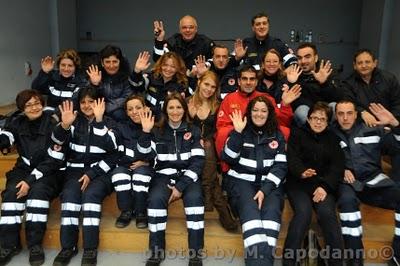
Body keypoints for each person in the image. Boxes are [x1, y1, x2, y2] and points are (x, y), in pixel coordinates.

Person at [52, 87, 118, 266]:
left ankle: (90, 249)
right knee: (70, 197)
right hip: (75, 171)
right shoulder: (73, 120)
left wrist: (98, 121)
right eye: (83, 102)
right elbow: (57, 143)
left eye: (92, 101)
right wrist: (64, 125)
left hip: (100, 173)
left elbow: (113, 153)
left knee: (90, 198)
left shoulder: (110, 122)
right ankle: (68, 247)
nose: (87, 105)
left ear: (100, 103)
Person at [139, 93, 205, 266]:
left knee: (195, 200)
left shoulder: (194, 131)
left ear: (184, 109)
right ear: (165, 110)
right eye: (171, 107)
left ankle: (196, 253)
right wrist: (145, 132)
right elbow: (143, 155)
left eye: (179, 107)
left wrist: (180, 186)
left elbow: (198, 162)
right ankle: (156, 251)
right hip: (163, 176)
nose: (175, 111)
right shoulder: (156, 130)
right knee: (155, 200)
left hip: (188, 177)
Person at [332, 100, 400, 266]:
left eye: (349, 113)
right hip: (346, 182)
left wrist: (395, 124)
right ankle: (355, 258)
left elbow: (396, 146)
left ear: (356, 114)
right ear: (335, 115)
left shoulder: (373, 129)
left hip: (374, 181)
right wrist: (339, 169)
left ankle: (398, 253)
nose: (345, 118)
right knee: (347, 203)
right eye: (341, 114)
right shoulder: (329, 133)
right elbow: (320, 159)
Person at [0, 90, 64, 266]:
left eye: (37, 103)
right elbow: (6, 138)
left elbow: (54, 160)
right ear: (22, 109)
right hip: (24, 169)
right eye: (28, 105)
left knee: (37, 195)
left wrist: (29, 181)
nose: (34, 107)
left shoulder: (54, 123)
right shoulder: (16, 122)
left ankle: (35, 245)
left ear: (42, 104)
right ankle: (9, 245)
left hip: (49, 172)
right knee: (11, 194)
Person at [221, 96, 287, 266]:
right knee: (251, 216)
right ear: (249, 112)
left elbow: (280, 167)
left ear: (269, 113)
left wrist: (265, 190)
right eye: (255, 110)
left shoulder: (277, 135)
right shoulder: (239, 130)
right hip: (241, 183)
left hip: (269, 185)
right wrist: (236, 133)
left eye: (263, 111)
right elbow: (227, 158)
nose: (259, 114)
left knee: (271, 217)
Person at [283, 102, 345, 266]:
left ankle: (336, 262)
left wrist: (324, 187)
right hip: (299, 184)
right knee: (303, 214)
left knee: (327, 214)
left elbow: (337, 166)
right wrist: (301, 171)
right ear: (308, 119)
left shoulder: (333, 138)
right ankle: (289, 261)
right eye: (314, 118)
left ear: (327, 122)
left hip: (323, 186)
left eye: (322, 119)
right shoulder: (297, 134)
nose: (318, 122)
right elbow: (292, 158)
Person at [215, 65, 300, 173]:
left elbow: (281, 122)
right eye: (245, 79)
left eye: (252, 79)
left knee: (285, 131)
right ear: (239, 81)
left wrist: (285, 105)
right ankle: (226, 168)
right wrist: (238, 130)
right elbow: (222, 125)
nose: (248, 82)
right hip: (239, 134)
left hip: (263, 134)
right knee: (222, 133)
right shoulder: (229, 99)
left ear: (256, 82)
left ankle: (278, 168)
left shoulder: (266, 98)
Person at [187, 71, 238, 232]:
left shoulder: (219, 104)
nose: (209, 89)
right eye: (206, 84)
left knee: (208, 147)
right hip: (189, 145)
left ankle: (207, 194)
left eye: (213, 87)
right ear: (199, 82)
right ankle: (223, 211)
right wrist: (192, 118)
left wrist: (205, 140)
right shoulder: (187, 102)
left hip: (211, 146)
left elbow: (220, 129)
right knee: (205, 150)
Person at [343, 49, 400, 183]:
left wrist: (391, 123)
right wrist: (362, 112)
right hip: (363, 128)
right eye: (360, 63)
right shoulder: (348, 83)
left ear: (375, 63)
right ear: (354, 65)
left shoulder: (389, 79)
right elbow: (347, 103)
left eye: (367, 62)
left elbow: (398, 104)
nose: (364, 65)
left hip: (387, 127)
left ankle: (397, 184)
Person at [110, 94, 154, 229]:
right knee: (119, 175)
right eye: (130, 109)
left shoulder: (155, 125)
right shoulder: (121, 126)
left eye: (138, 108)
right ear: (126, 112)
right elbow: (115, 149)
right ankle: (126, 211)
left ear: (145, 108)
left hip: (147, 166)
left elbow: (159, 152)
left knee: (141, 174)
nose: (134, 112)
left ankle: (141, 212)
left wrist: (147, 163)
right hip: (125, 164)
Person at [291, 43, 344, 126]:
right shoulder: (294, 74)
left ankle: (328, 136)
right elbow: (295, 104)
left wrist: (324, 83)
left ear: (315, 58)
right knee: (301, 111)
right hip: (308, 114)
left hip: (326, 111)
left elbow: (339, 98)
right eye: (300, 58)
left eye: (307, 57)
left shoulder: (327, 72)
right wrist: (292, 83)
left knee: (335, 106)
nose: (303, 61)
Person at [130, 51, 188, 121]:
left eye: (173, 66)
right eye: (165, 65)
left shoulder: (181, 85)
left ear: (178, 68)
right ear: (160, 64)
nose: (168, 69)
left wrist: (152, 110)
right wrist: (137, 71)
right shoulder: (151, 76)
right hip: (146, 118)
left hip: (166, 121)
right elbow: (136, 86)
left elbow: (177, 109)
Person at [87, 45, 137, 122]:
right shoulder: (94, 74)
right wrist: (95, 84)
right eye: (107, 62)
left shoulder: (127, 76)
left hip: (119, 116)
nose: (111, 65)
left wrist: (105, 108)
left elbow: (127, 97)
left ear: (120, 62)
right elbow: (88, 97)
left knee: (119, 113)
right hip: (97, 113)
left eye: (115, 62)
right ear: (102, 63)